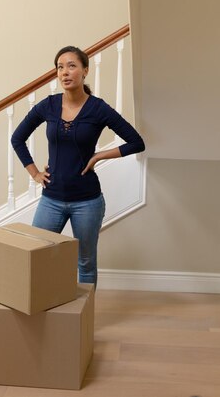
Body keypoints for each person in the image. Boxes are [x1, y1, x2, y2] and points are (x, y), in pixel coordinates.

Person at [11, 46, 145, 286]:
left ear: (85, 71)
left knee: (85, 263)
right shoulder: (48, 106)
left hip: (87, 202)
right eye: (60, 67)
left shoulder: (98, 108)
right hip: (51, 199)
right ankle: (46, 311)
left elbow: (137, 142)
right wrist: (35, 174)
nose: (65, 72)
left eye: (71, 66)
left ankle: (84, 319)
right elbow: (17, 138)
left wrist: (99, 156)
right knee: (36, 255)